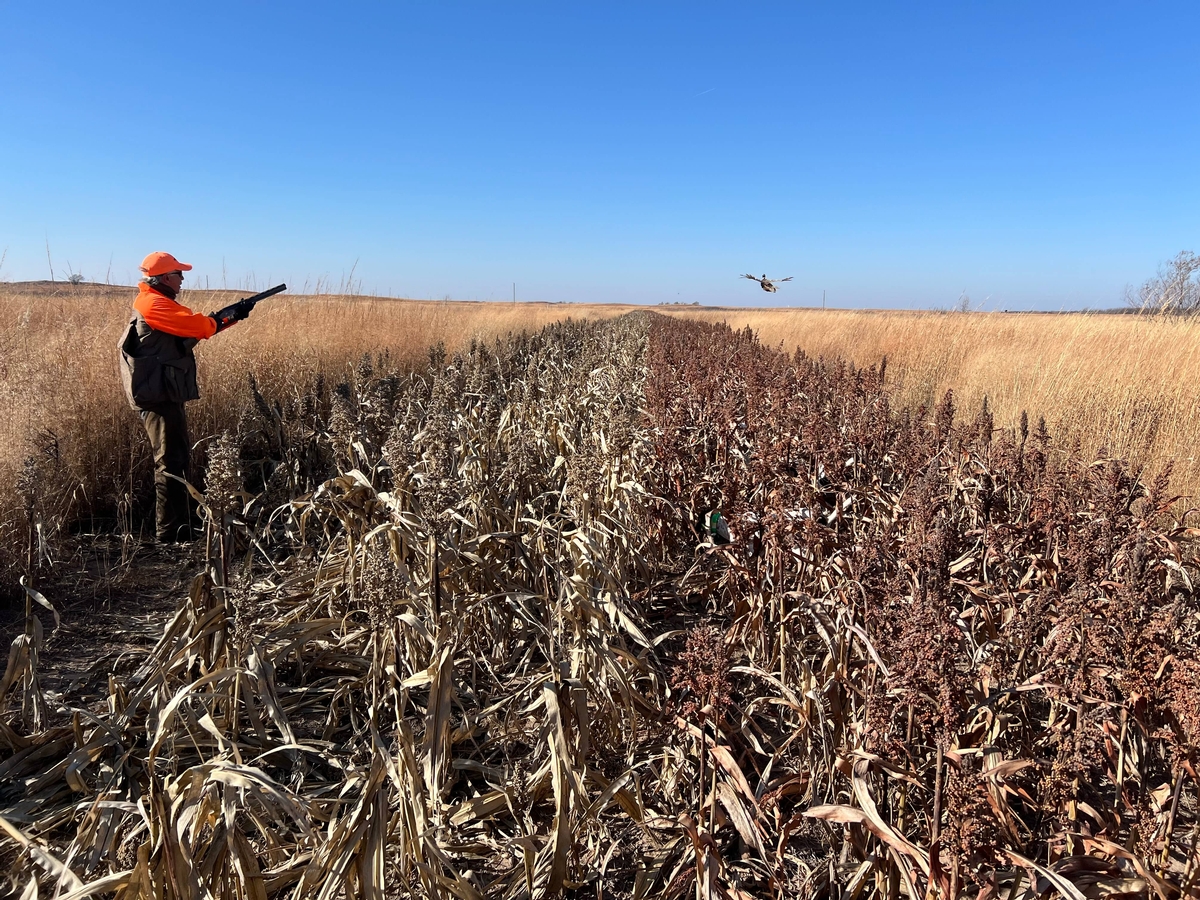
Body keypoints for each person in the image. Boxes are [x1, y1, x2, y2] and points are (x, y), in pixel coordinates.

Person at [117, 252, 250, 542]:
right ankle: (169, 532)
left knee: (174, 457)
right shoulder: (154, 303)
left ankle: (180, 524)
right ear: (165, 278)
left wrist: (229, 317)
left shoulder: (156, 302)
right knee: (169, 461)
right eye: (179, 274)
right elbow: (198, 327)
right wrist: (221, 319)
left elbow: (186, 334)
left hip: (161, 391)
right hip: (159, 396)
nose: (182, 280)